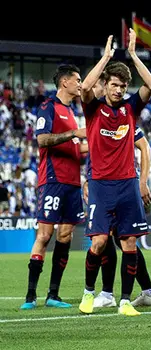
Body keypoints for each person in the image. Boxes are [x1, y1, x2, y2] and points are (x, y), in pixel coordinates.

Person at [77, 31, 151, 316]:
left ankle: (124, 301)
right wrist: (106, 57)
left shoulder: (130, 109)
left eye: (123, 86)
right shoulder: (93, 109)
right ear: (106, 84)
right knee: (99, 242)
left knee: (129, 242)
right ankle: (88, 293)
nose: (119, 90)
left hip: (127, 184)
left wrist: (133, 55)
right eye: (114, 84)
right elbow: (86, 86)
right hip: (100, 184)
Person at [20, 64, 87, 310]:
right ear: (64, 82)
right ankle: (30, 295)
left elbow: (76, 148)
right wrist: (74, 133)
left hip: (73, 182)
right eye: (77, 79)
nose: (80, 84)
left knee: (66, 236)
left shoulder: (71, 111)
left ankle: (53, 294)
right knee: (45, 235)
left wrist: (100, 142)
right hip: (52, 180)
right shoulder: (48, 107)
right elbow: (42, 139)